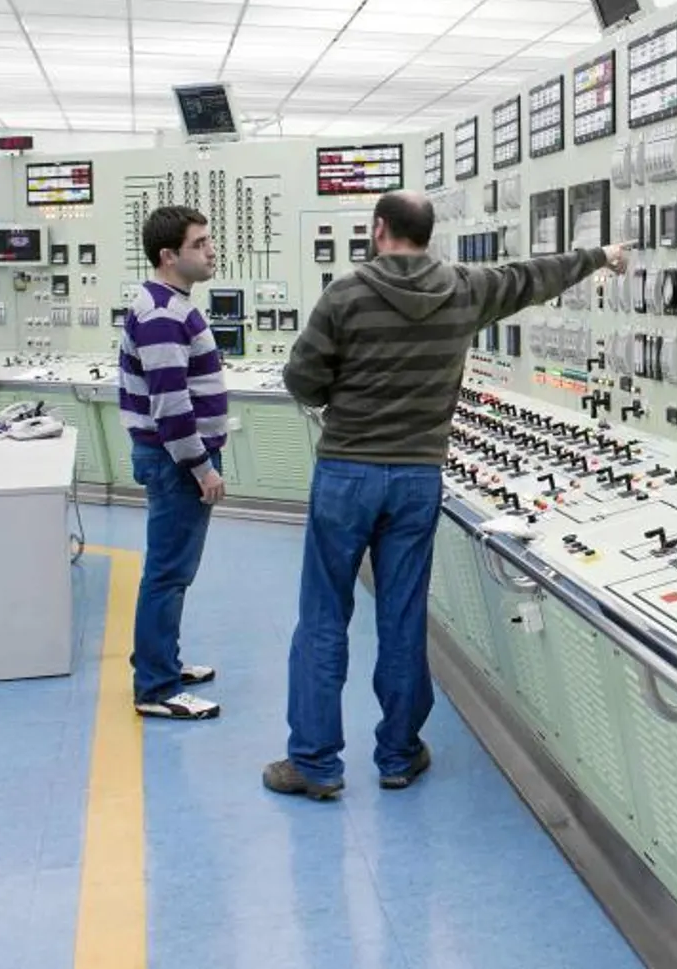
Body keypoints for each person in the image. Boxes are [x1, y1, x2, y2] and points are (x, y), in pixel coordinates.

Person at [266, 190, 629, 798]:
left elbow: (301, 378)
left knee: (324, 616)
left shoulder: (346, 294)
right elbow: (532, 278)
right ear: (428, 234)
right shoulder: (464, 289)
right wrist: (600, 256)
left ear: (378, 229)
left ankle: (316, 763)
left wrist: (344, 392)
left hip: (347, 473)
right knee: (403, 617)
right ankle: (399, 755)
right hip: (416, 477)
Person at [120, 205, 229, 720]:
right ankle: (157, 689)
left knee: (168, 570)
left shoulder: (169, 303)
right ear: (169, 255)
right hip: (175, 461)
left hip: (170, 459)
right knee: (168, 572)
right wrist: (201, 466)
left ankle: (159, 660)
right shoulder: (164, 314)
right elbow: (171, 405)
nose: (211, 251)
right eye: (200, 243)